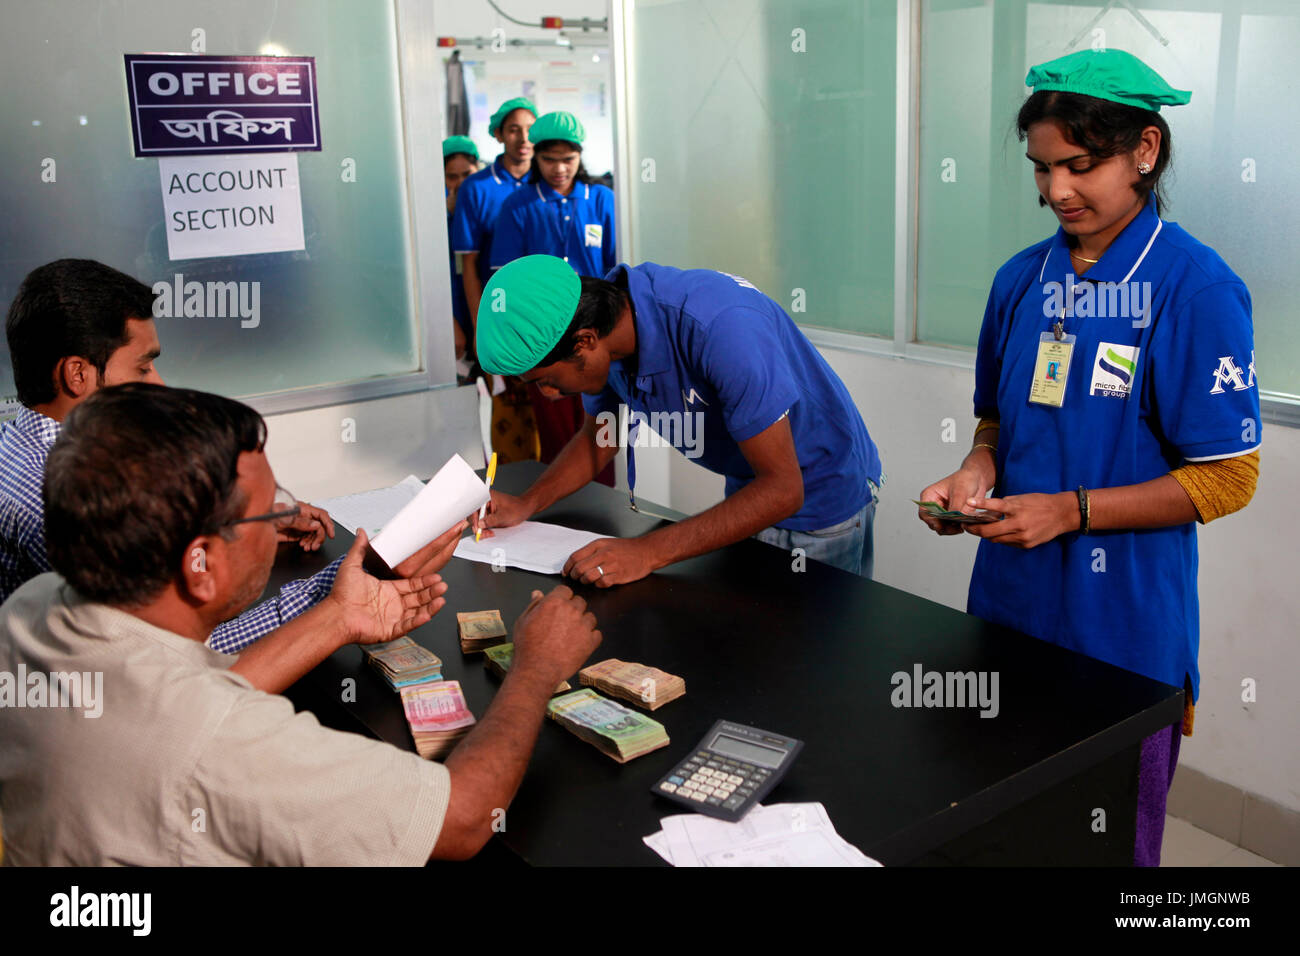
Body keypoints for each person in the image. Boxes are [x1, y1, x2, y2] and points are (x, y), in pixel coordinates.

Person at [0, 383, 602, 865]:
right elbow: (464, 819)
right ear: (200, 566)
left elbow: (183, 705)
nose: (287, 520)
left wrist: (339, 617)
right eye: (270, 510)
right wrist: (537, 667)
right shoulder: (225, 750)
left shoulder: (29, 607)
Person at [916, 49, 1260, 867]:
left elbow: (1227, 477)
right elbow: (998, 422)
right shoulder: (1019, 281)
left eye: (1080, 165)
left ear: (1145, 149)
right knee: (1003, 826)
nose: (1056, 191)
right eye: (1041, 168)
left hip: (1124, 635)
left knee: (1106, 848)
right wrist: (976, 473)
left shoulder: (1194, 290)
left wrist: (1070, 511)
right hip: (1011, 611)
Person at [0, 259, 454, 692]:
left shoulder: (15, 445)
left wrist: (248, 521)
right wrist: (335, 591)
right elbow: (183, 660)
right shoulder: (57, 503)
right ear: (78, 374)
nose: (157, 384)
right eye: (142, 366)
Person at [472, 255, 884, 581]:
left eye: (545, 380)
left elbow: (782, 491)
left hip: (819, 495)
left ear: (585, 342)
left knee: (810, 660)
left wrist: (646, 552)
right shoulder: (605, 328)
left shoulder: (720, 328)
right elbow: (601, 437)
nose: (547, 394)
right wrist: (527, 502)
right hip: (752, 485)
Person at [489, 111, 618, 484]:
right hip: (544, 339)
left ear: (580, 156)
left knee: (601, 428)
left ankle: (604, 511)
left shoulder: (602, 200)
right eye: (549, 159)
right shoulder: (519, 206)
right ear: (536, 157)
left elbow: (616, 270)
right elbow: (505, 282)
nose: (559, 168)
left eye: (568, 159)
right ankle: (556, 520)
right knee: (556, 432)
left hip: (597, 335)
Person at [448, 97, 541, 464]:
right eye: (514, 129)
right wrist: (480, 328)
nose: (523, 138)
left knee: (548, 416)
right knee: (505, 416)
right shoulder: (477, 188)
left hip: (540, 321)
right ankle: (506, 499)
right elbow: (468, 267)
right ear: (499, 134)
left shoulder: (547, 184)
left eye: (531, 129)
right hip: (497, 318)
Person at [443, 135, 480, 368]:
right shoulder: (435, 219)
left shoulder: (485, 210)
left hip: (485, 315)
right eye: (452, 177)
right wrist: (449, 322)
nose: (460, 183)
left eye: (467, 174)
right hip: (453, 320)